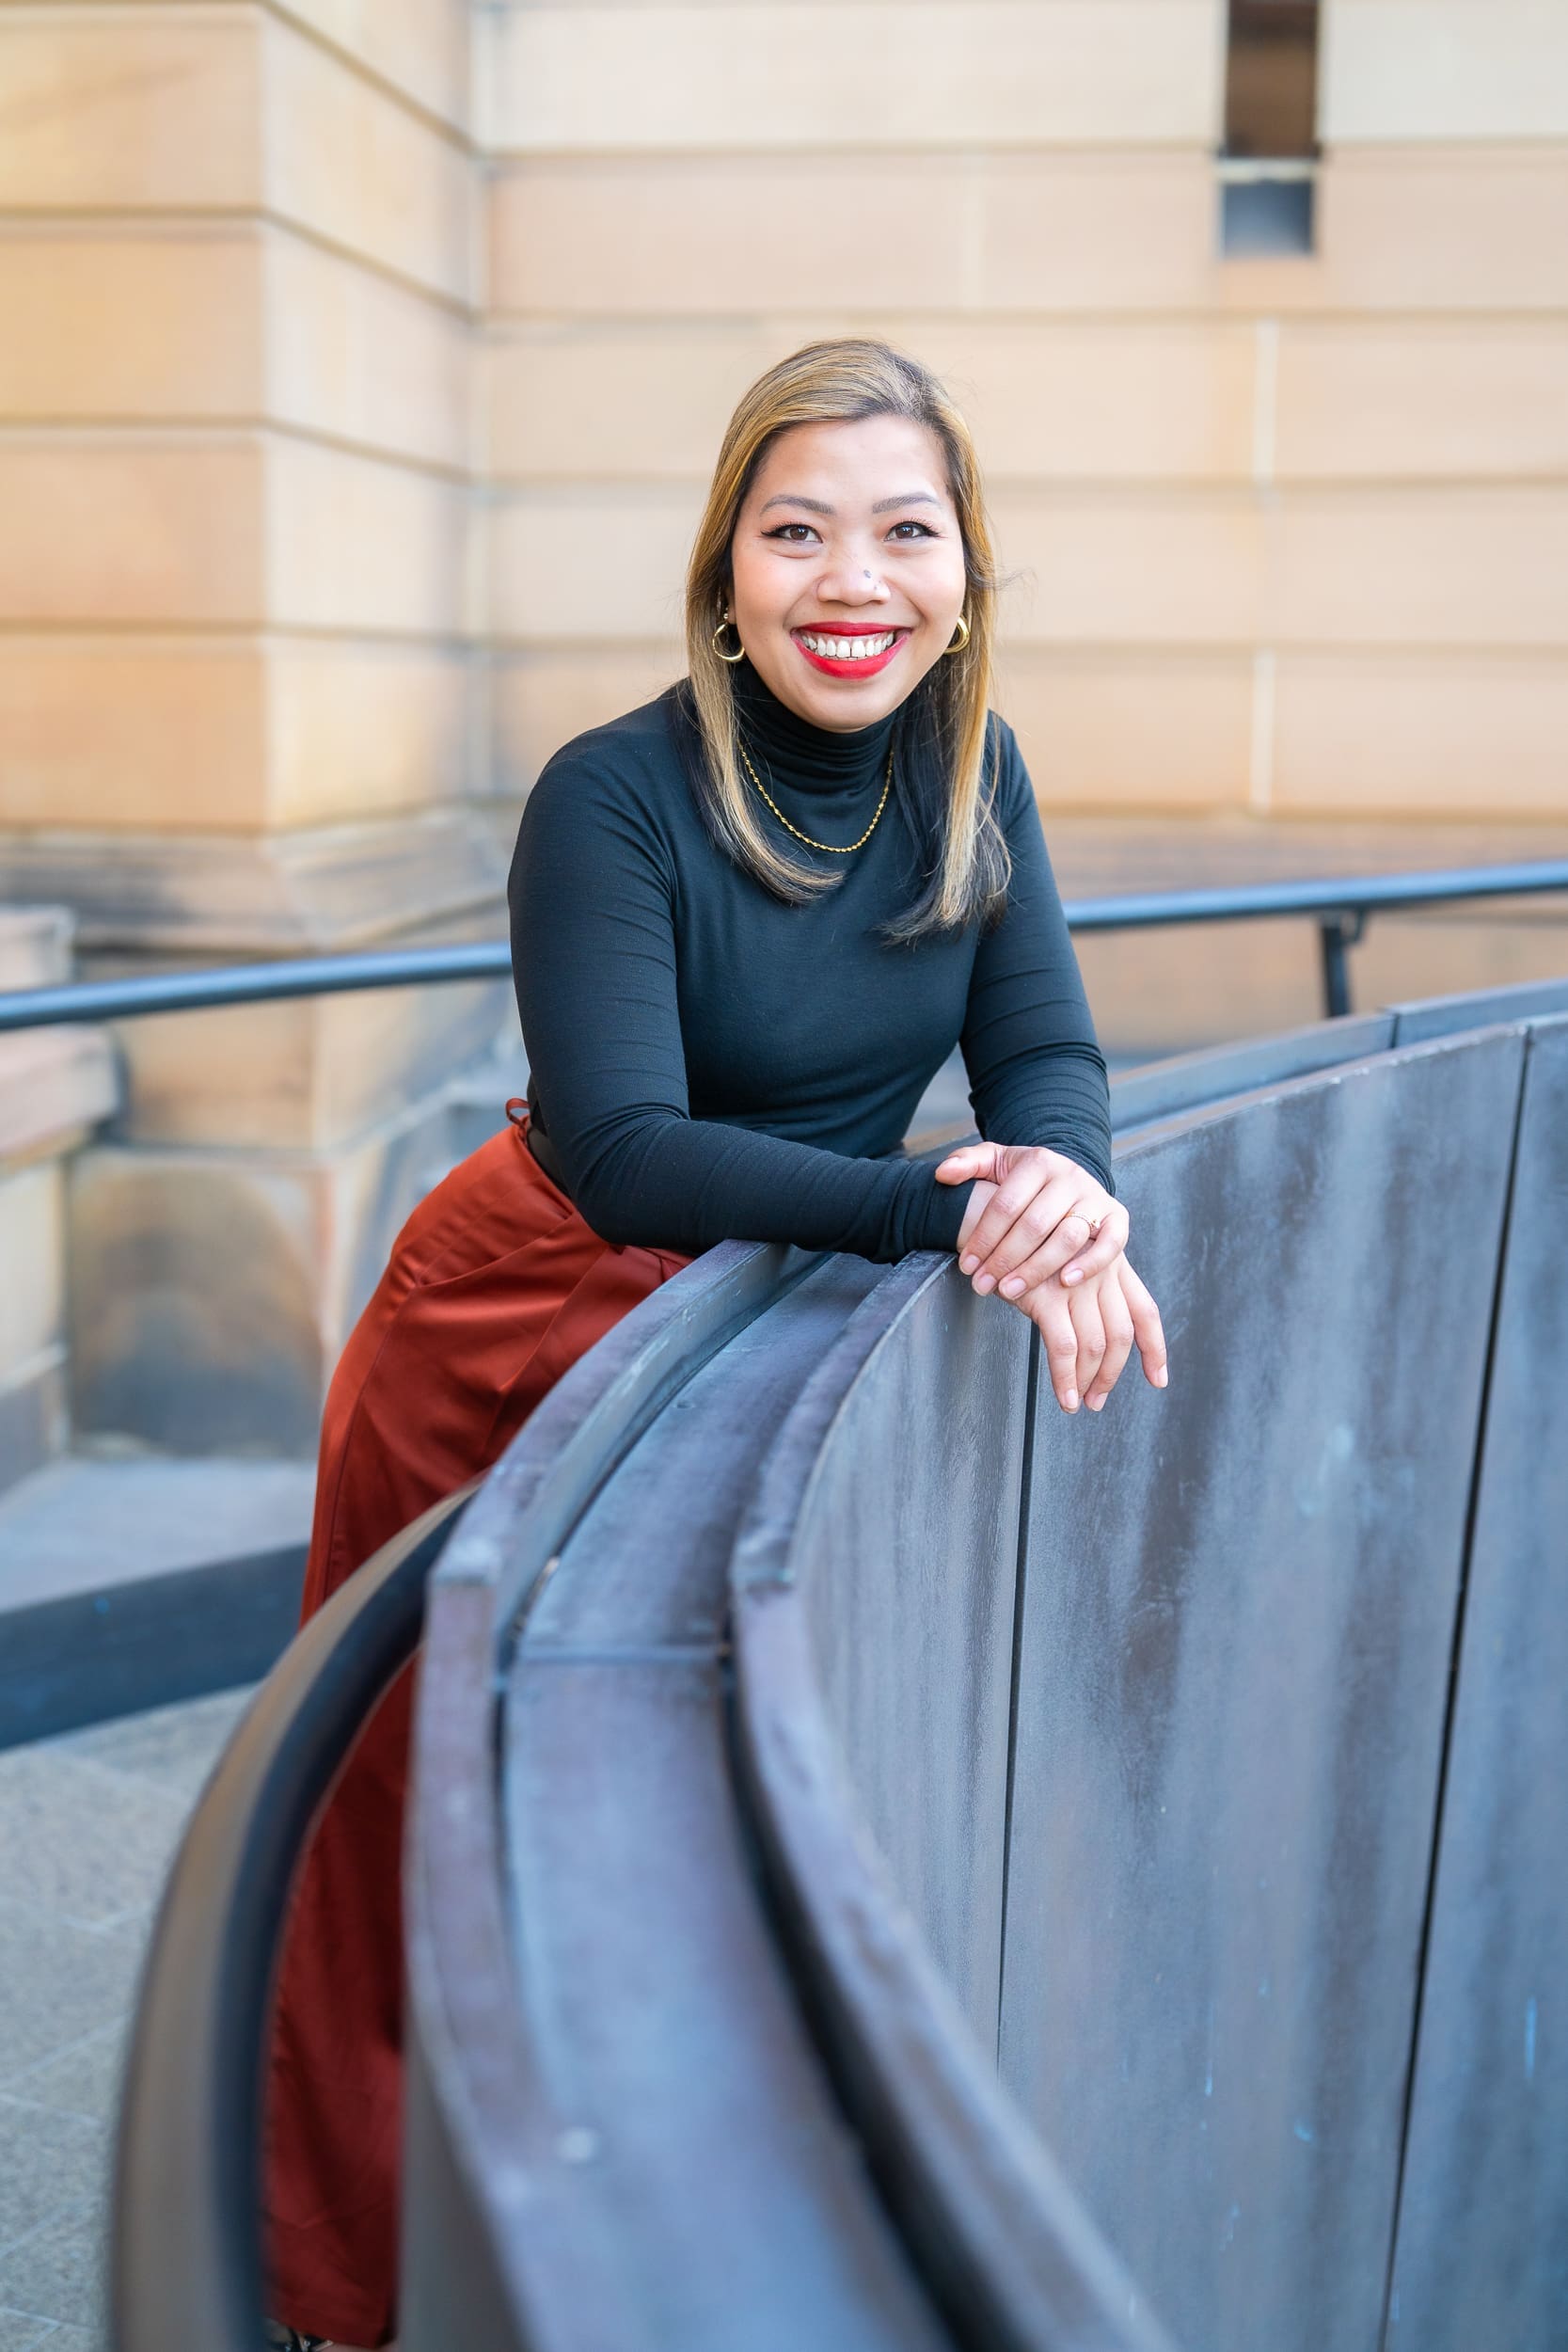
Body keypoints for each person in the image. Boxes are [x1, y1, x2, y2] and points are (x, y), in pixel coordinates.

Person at [262, 337, 1168, 2351]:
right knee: (421, 1802)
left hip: (755, 1304)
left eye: (905, 530)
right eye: (798, 531)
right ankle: (344, 2280)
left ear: (963, 574)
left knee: (664, 1813)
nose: (855, 580)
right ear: (728, 573)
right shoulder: (614, 791)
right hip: (526, 1312)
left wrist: (1066, 1189)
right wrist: (949, 1209)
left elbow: (1046, 1048)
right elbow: (628, 1146)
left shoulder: (976, 774)